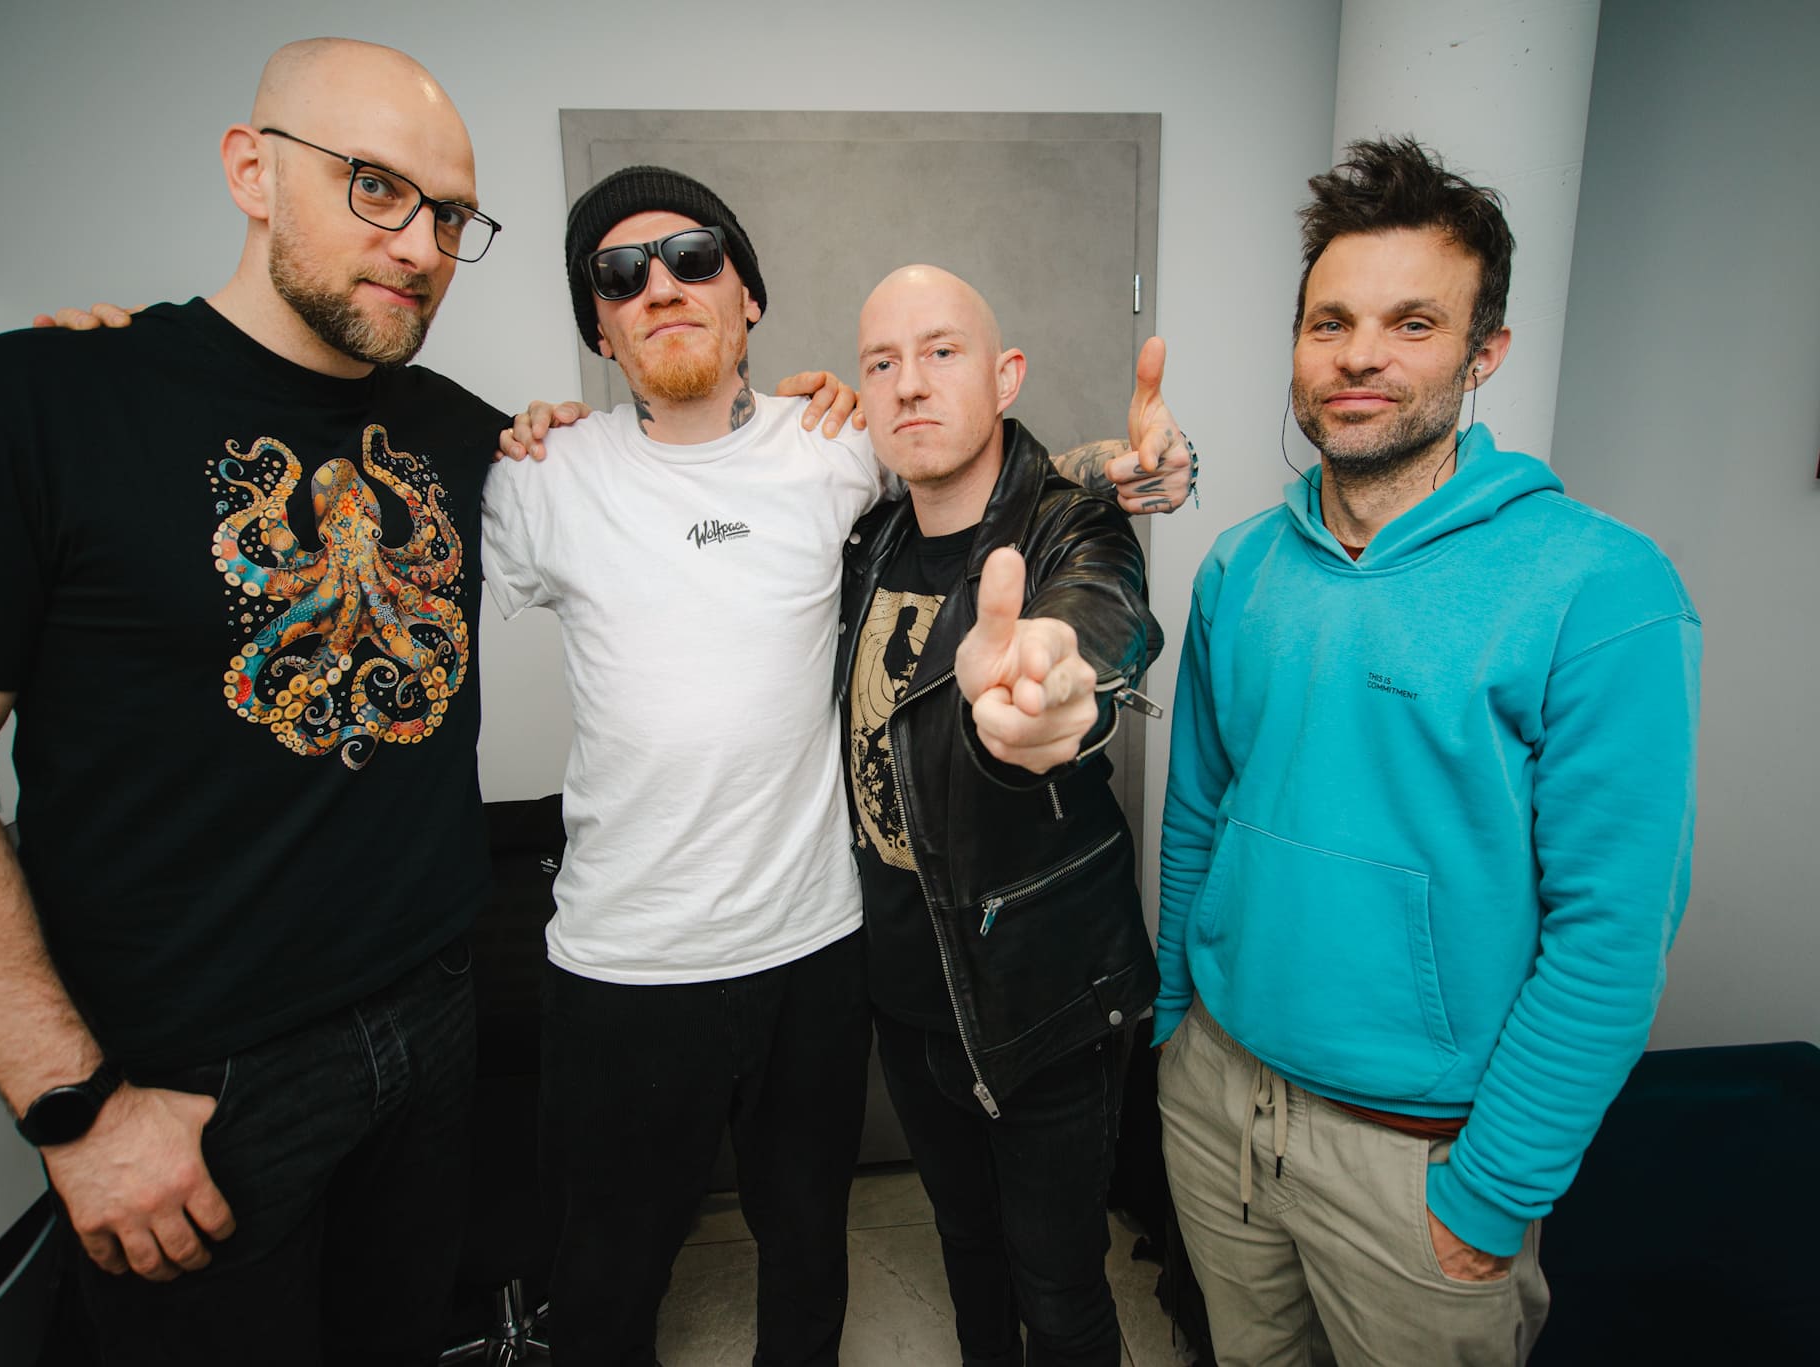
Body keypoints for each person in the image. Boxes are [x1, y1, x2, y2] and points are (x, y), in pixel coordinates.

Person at [0, 38, 510, 1364]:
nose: (419, 245)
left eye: (450, 215)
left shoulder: (463, 432)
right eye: (374, 186)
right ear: (250, 171)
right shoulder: (29, 401)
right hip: (194, 1084)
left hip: (437, 1008)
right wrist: (77, 1109)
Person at [484, 167, 1193, 1365]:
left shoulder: (832, 450)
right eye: (618, 273)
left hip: (814, 951)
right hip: (624, 960)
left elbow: (1013, 498)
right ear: (596, 325)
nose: (660, 286)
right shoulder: (539, 477)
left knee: (813, 1254)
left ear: (747, 296)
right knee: (604, 1276)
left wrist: (1125, 478)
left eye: (693, 256)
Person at [1151, 137, 1701, 1366]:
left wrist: (1490, 1192)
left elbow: (1611, 930)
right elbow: (1196, 812)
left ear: (1481, 351)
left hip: (1417, 1163)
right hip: (1217, 1100)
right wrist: (1174, 1026)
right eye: (1329, 322)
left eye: (1411, 323)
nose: (1358, 355)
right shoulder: (1239, 566)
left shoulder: (1600, 586)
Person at [838, 264, 1164, 1365]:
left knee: (1058, 1287)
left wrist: (1051, 675)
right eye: (882, 362)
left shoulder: (1072, 524)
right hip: (904, 991)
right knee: (965, 1246)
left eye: (941, 351)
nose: (909, 383)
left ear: (1005, 375)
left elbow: (1098, 612)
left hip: (1043, 995)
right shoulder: (865, 539)